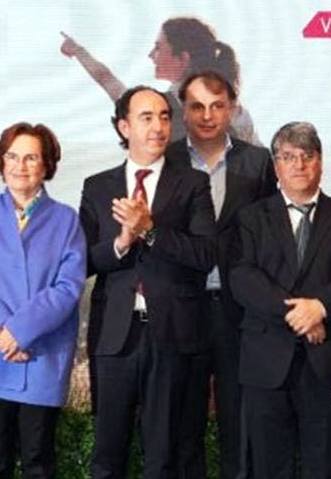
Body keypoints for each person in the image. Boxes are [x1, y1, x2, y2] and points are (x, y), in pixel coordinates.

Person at [80, 86, 218, 479]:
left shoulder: (192, 183)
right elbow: (81, 261)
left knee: (165, 453)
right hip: (114, 334)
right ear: (124, 127)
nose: (158, 126)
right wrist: (122, 243)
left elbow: (206, 254)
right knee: (108, 452)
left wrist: (151, 231)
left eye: (164, 117)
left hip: (172, 333)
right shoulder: (98, 186)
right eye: (146, 117)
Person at [0, 122, 87, 479]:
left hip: (42, 351)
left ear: (46, 165)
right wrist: (1, 330)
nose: (20, 166)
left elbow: (68, 287)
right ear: (1, 160)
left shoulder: (66, 220)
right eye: (12, 156)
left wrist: (21, 331)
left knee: (38, 459)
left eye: (31, 158)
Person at [227, 122, 331, 479]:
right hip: (265, 361)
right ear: (275, 165)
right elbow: (242, 277)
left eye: (307, 155)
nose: (299, 164)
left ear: (320, 161)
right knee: (269, 466)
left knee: (325, 463)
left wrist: (320, 308)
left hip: (326, 360)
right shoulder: (250, 217)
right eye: (288, 156)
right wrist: (301, 315)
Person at [166, 70, 277, 479]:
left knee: (239, 420)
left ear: (232, 109)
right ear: (183, 111)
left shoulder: (258, 162)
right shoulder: (168, 160)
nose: (207, 116)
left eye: (217, 106)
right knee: (184, 423)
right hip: (183, 308)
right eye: (197, 106)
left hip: (239, 312)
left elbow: (271, 238)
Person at [62, 16, 258, 144]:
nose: (151, 55)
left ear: (183, 59)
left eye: (158, 48)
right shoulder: (237, 111)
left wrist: (78, 51)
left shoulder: (164, 108)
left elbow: (108, 82)